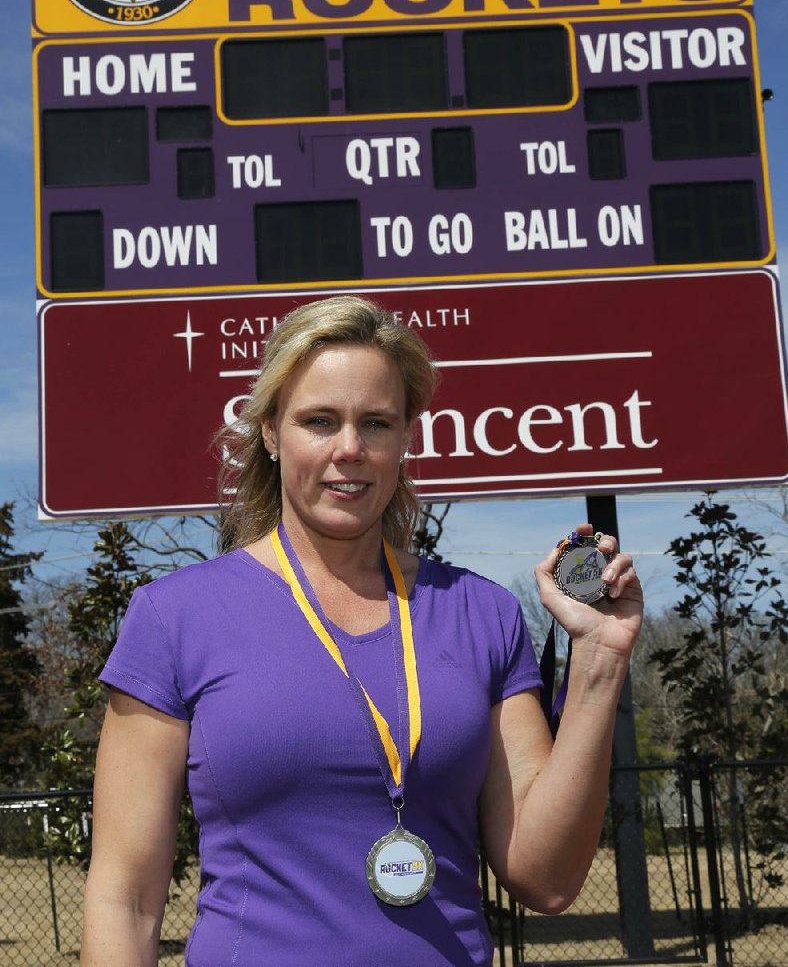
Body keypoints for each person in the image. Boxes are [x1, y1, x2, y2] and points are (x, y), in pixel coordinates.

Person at [81, 295, 642, 967]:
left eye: (375, 423)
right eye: (319, 421)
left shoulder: (481, 614)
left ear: (405, 437)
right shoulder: (174, 618)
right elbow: (126, 900)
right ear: (269, 432)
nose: (350, 448)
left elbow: (547, 880)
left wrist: (599, 662)